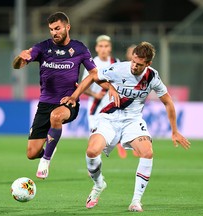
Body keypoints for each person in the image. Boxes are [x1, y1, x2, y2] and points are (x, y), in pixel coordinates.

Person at [61, 41, 191, 212]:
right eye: (133, 61)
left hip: (132, 120)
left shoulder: (152, 77)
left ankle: (136, 201)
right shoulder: (119, 68)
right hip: (109, 118)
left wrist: (174, 131)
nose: (134, 66)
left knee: (147, 152)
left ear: (148, 64)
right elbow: (93, 76)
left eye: (139, 64)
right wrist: (75, 96)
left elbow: (168, 102)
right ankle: (99, 184)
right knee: (92, 152)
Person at [12, 12, 119, 180]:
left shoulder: (79, 49)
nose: (54, 32)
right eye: (51, 29)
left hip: (68, 103)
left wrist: (109, 87)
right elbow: (17, 66)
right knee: (31, 153)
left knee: (56, 116)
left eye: (57, 28)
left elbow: (94, 75)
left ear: (67, 27)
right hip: (45, 104)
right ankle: (49, 148)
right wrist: (19, 58)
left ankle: (46, 161)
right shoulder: (42, 47)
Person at [82, 35, 127, 158]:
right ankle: (93, 161)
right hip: (96, 106)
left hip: (112, 106)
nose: (103, 49)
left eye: (106, 46)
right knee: (94, 135)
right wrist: (95, 94)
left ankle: (117, 142)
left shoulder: (116, 63)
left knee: (112, 132)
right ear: (96, 48)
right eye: (101, 46)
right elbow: (83, 87)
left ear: (110, 48)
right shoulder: (91, 64)